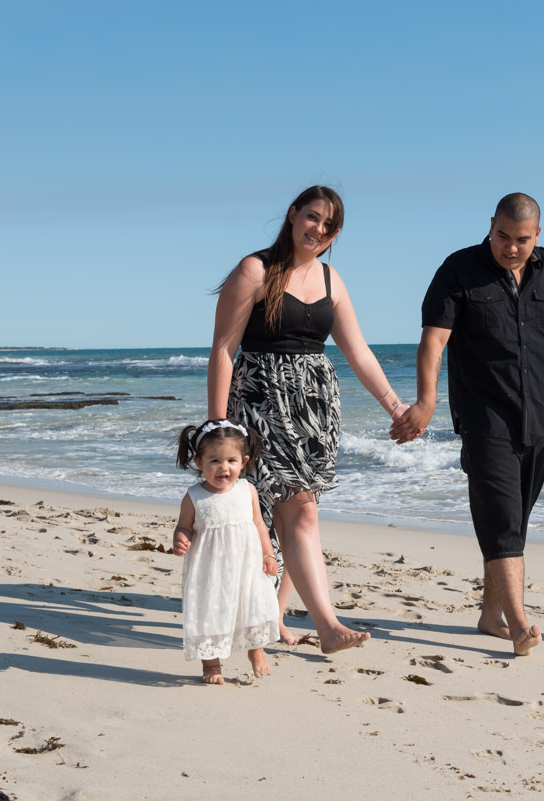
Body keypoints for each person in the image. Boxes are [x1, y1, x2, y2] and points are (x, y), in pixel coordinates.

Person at [391, 192, 544, 656]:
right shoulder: (457, 270)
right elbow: (433, 341)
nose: (511, 247)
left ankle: (488, 616)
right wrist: (426, 400)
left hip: (538, 418)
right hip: (483, 419)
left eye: (522, 239)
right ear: (491, 226)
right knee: (502, 521)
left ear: (537, 235)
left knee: (514, 522)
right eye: (502, 236)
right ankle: (519, 623)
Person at [208, 185, 411, 654]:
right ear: (293, 214)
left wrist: (396, 407)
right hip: (262, 400)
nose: (318, 229)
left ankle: (274, 616)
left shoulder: (331, 280)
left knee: (293, 512)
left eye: (329, 225)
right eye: (313, 217)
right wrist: (217, 429)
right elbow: (223, 349)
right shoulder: (255, 270)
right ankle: (327, 624)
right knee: (298, 509)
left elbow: (358, 352)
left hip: (316, 408)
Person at [172, 419, 280, 684]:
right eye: (214, 461)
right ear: (199, 463)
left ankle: (256, 650)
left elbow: (258, 524)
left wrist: (268, 554)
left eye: (231, 461)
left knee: (252, 606)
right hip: (210, 570)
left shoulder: (247, 490)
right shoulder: (195, 496)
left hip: (247, 565)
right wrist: (180, 539)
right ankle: (211, 666)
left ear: (243, 462)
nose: (224, 468)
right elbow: (184, 526)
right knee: (209, 614)